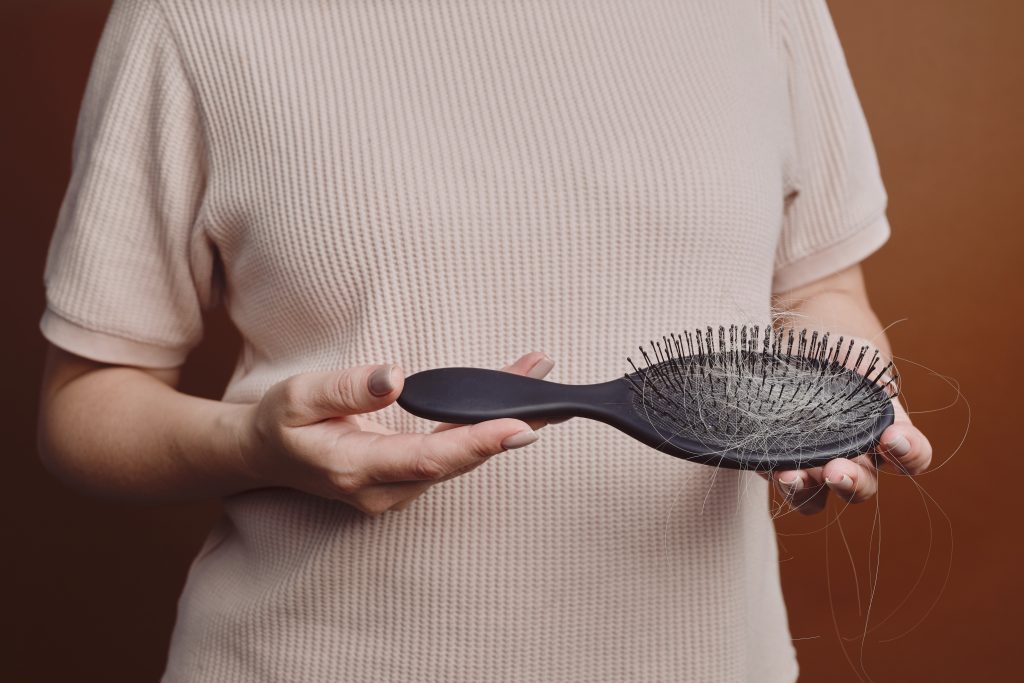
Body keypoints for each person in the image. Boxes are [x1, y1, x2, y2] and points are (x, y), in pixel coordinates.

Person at [36, 1, 932, 681]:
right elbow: (85, 404)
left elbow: (821, 289)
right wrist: (257, 445)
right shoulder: (192, 20)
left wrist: (834, 408)